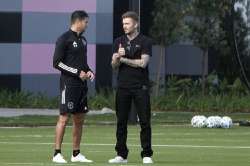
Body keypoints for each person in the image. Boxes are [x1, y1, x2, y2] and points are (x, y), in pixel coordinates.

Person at [109, 11, 154, 164]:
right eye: (123, 24)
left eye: (127, 24)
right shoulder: (118, 41)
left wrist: (123, 58)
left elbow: (143, 63)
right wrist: (116, 58)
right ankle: (121, 154)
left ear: (136, 24)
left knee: (145, 121)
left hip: (140, 87)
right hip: (123, 87)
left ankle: (147, 154)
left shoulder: (145, 41)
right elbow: (114, 65)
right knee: (121, 121)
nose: (125, 26)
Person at [52, 10, 94, 164]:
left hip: (81, 86)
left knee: (79, 119)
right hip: (68, 85)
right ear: (79, 21)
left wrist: (89, 71)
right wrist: (77, 73)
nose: (87, 25)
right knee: (64, 118)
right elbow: (57, 63)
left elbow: (82, 63)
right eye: (86, 22)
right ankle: (57, 153)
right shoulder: (63, 39)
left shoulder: (83, 40)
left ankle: (76, 154)